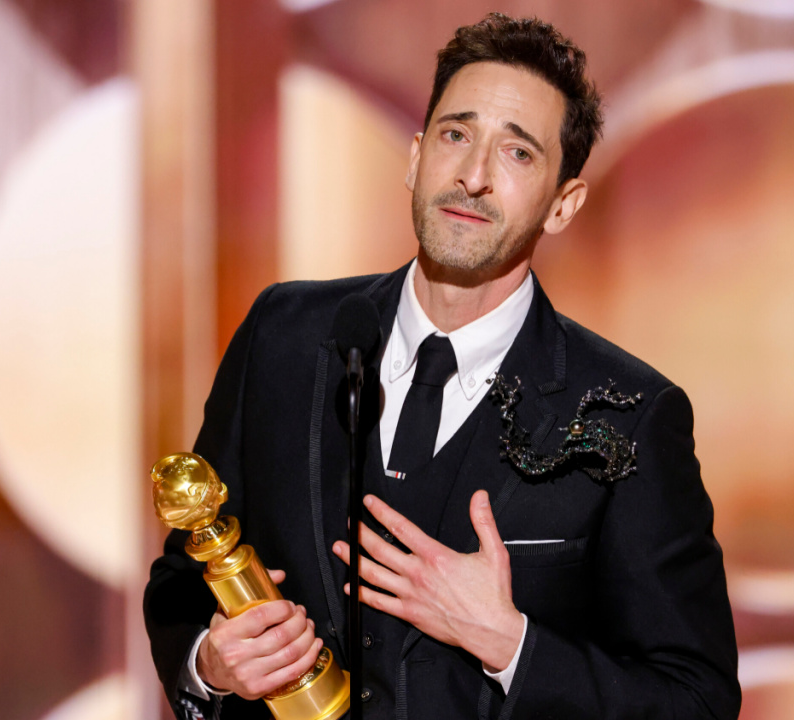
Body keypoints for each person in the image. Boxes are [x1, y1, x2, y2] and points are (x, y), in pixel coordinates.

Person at [145, 12, 740, 720]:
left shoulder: (628, 414)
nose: (474, 177)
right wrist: (210, 666)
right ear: (416, 155)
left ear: (562, 204)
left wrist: (509, 642)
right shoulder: (284, 336)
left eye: (518, 154)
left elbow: (696, 700)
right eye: (457, 135)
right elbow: (185, 580)